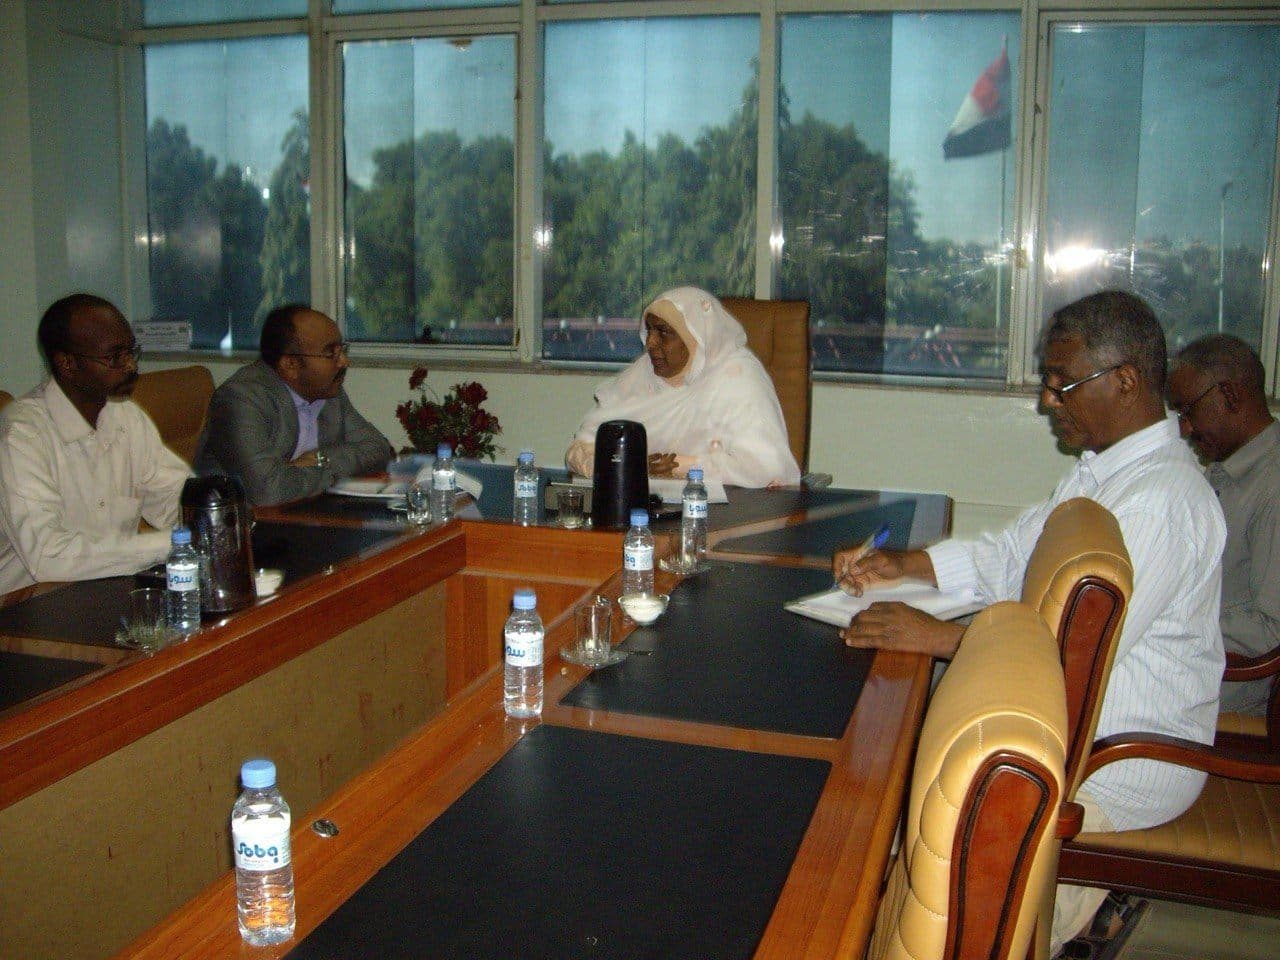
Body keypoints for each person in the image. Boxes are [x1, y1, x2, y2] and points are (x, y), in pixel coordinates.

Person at [833, 290, 1224, 955]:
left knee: (917, 834)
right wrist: (905, 563)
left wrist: (944, 639)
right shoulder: (1105, 471)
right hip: (1069, 717)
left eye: (1060, 383)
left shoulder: (1163, 500)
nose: (1047, 400)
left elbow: (1077, 655)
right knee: (883, 780)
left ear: (1125, 381)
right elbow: (1014, 553)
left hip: (1117, 755)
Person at [0, 294, 191, 595]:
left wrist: (215, 514)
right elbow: (48, 556)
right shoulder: (21, 435)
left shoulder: (126, 417)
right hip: (27, 608)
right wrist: (169, 543)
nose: (131, 366)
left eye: (131, 351)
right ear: (67, 363)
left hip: (109, 590)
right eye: (114, 357)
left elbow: (176, 500)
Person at [565, 287, 800, 488]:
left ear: (694, 337)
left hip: (724, 517)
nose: (650, 343)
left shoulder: (736, 378)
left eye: (664, 332)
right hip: (645, 514)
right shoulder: (641, 374)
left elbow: (767, 467)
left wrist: (679, 465)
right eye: (649, 330)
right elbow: (579, 449)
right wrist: (632, 465)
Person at [1168, 334, 1280, 716]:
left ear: (1230, 397)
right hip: (1195, 652)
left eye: (1188, 411)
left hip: (1232, 682)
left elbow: (1271, 629)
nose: (1184, 429)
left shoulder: (1273, 488)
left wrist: (1170, 622)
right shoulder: (1226, 469)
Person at [195, 304, 391, 506]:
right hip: (242, 528)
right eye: (330, 353)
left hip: (305, 515)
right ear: (290, 365)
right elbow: (267, 491)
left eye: (342, 350)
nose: (344, 361)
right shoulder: (240, 399)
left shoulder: (328, 393)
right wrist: (330, 470)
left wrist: (319, 458)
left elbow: (379, 449)